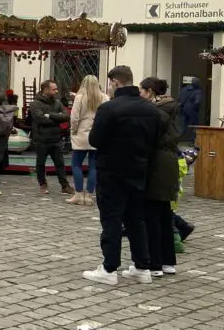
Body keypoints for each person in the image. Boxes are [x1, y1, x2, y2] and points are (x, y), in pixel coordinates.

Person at [83, 66, 163, 286]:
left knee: (112, 218)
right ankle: (141, 266)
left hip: (112, 172)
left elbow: (95, 140)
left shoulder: (109, 109)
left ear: (115, 82)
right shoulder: (151, 110)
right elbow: (156, 141)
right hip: (139, 170)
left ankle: (109, 268)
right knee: (136, 219)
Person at [140, 77, 181, 277]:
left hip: (156, 165)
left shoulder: (156, 113)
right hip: (169, 164)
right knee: (164, 214)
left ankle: (154, 263)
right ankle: (168, 261)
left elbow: (148, 140)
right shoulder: (169, 109)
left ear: (149, 92)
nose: (139, 94)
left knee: (152, 216)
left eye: (141, 90)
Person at [30, 80, 75, 196]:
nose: (56, 91)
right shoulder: (35, 103)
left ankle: (64, 186)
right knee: (40, 163)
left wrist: (50, 115)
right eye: (54, 89)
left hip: (56, 138)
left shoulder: (57, 102)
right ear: (46, 89)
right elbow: (40, 119)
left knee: (60, 163)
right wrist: (57, 119)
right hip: (41, 138)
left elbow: (66, 116)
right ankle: (42, 184)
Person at [69, 75, 106, 205]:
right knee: (94, 167)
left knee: (76, 164)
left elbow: (74, 118)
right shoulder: (104, 97)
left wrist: (73, 130)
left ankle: (78, 194)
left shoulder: (80, 98)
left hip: (81, 134)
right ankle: (89, 195)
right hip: (98, 135)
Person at [178, 76, 203, 142]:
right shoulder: (198, 91)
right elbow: (198, 102)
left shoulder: (183, 89)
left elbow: (180, 99)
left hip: (183, 109)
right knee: (195, 125)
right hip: (192, 109)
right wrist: (195, 109)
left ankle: (179, 138)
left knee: (183, 124)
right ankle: (193, 139)